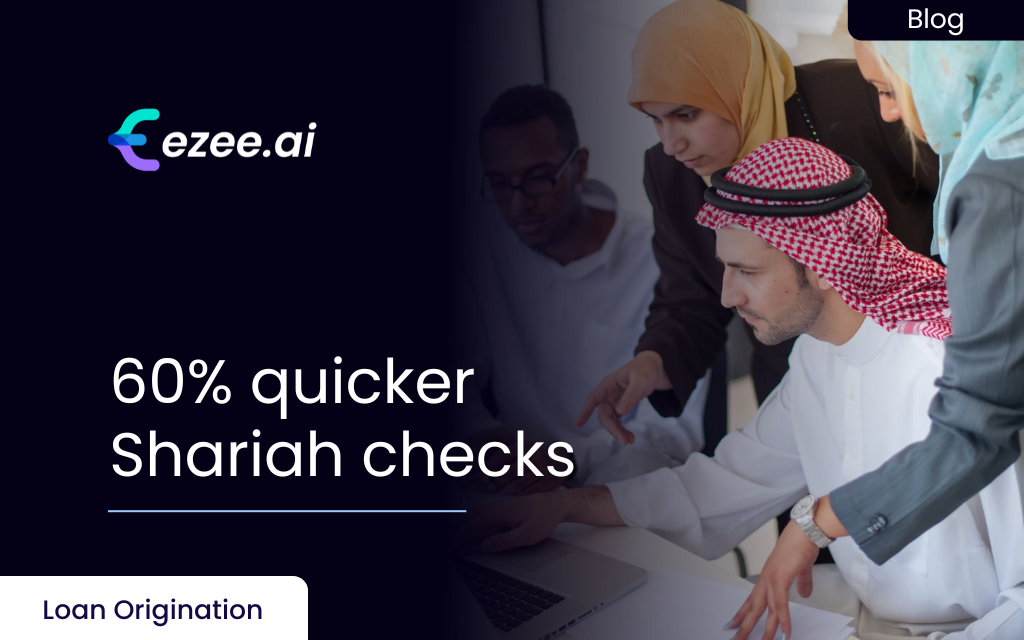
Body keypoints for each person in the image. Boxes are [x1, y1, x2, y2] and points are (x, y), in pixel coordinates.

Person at [456, 137, 1024, 640]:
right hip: (860, 616)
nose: (727, 296)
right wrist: (564, 506)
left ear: (821, 264)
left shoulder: (959, 371)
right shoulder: (815, 357)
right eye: (726, 270)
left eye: (747, 272)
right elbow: (726, 486)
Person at [573, 0, 939, 548]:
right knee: (826, 552)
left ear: (736, 85)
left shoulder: (861, 99)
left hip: (917, 344)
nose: (671, 142)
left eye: (686, 115)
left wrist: (956, 319)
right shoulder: (670, 174)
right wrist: (654, 361)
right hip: (799, 374)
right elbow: (690, 299)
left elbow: (963, 201)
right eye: (655, 119)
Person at [732, 32, 1024, 637]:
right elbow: (734, 477)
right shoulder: (815, 358)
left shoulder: (995, 185)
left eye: (889, 87)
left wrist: (818, 522)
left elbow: (975, 431)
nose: (889, 113)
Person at [458, 85, 709, 495]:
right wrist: (483, 439)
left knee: (644, 474)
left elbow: (673, 433)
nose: (519, 204)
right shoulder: (482, 255)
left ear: (580, 165)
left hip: (615, 482)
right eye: (500, 185)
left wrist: (563, 460)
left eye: (537, 179)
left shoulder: (659, 260)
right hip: (505, 480)